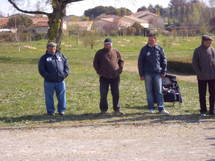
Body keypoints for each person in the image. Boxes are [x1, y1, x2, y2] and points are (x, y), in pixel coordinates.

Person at [138, 33, 169, 114]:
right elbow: (140, 62)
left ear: (155, 40)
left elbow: (164, 60)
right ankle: (151, 108)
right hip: (147, 74)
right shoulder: (144, 49)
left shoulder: (159, 49)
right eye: (149, 40)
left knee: (159, 91)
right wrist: (141, 74)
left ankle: (161, 108)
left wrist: (163, 71)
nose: (150, 41)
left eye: (152, 40)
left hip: (157, 74)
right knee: (149, 91)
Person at [93, 38, 124, 115]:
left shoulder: (116, 52)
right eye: (106, 44)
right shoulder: (99, 53)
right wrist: (99, 72)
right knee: (103, 94)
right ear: (104, 45)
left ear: (111, 44)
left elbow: (121, 61)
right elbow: (95, 63)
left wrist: (119, 70)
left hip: (115, 76)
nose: (108, 45)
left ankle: (116, 109)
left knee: (116, 93)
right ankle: (103, 110)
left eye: (109, 44)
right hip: (104, 77)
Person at [38, 42, 69, 116]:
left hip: (60, 81)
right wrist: (47, 76)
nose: (53, 49)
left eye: (54, 48)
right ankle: (50, 111)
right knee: (49, 97)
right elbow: (41, 70)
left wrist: (64, 75)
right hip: (49, 82)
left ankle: (61, 111)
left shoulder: (61, 56)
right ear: (47, 48)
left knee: (62, 96)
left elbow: (66, 66)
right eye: (51, 48)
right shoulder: (44, 58)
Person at [192, 35, 215, 116]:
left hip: (212, 76)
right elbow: (194, 63)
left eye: (210, 41)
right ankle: (203, 111)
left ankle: (212, 110)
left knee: (213, 94)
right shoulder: (197, 50)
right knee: (202, 94)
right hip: (202, 77)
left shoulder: (213, 50)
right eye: (208, 41)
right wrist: (199, 73)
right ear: (203, 41)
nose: (210, 42)